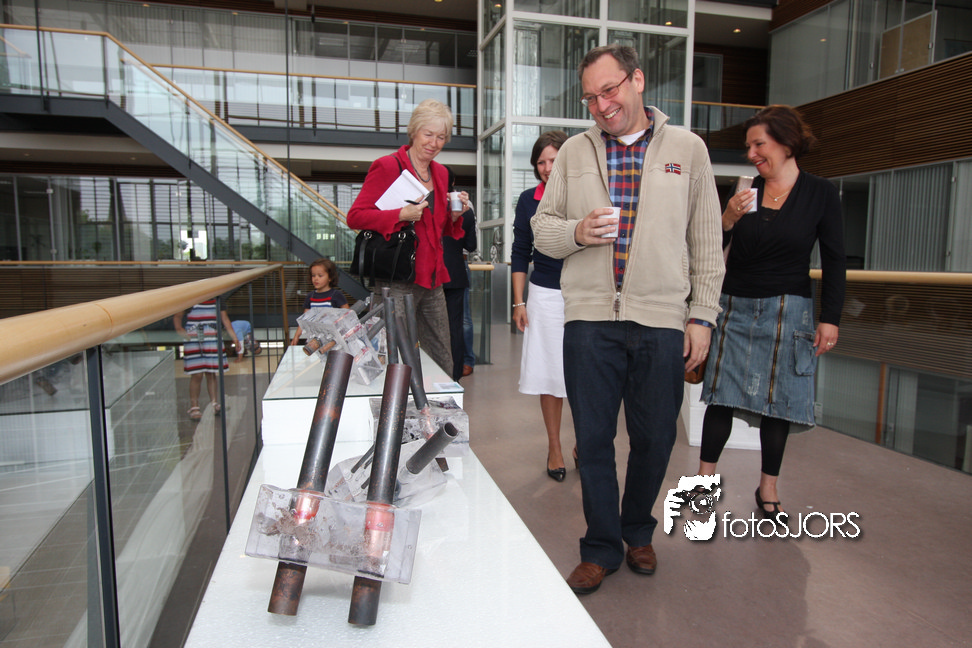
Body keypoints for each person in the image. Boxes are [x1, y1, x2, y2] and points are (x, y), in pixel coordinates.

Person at [531, 44, 724, 595]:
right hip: (590, 321)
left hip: (661, 321)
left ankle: (637, 529)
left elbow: (706, 242)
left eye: (609, 90)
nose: (601, 105)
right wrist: (575, 232)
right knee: (593, 442)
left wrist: (702, 316)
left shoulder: (687, 149)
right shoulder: (574, 152)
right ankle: (600, 547)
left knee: (656, 439)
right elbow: (542, 230)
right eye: (590, 97)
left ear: (637, 80)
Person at [696, 105, 846, 522]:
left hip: (789, 308)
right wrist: (727, 219)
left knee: (778, 404)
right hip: (733, 304)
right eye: (749, 146)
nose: (751, 154)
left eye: (758, 144)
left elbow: (835, 260)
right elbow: (710, 249)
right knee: (720, 398)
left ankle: (768, 488)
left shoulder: (820, 193)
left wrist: (830, 317)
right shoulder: (745, 190)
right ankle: (703, 483)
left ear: (786, 142)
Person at [347, 99, 470, 375]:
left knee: (442, 354)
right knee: (395, 356)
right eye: (428, 134)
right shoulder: (387, 166)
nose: (434, 143)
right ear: (414, 131)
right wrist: (400, 214)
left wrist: (454, 215)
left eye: (441, 137)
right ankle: (396, 403)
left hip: (432, 278)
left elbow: (437, 228)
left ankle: (438, 401)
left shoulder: (441, 173)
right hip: (397, 278)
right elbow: (355, 216)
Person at [511, 130, 570, 482]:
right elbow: (521, 252)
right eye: (541, 162)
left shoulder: (584, 192)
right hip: (545, 295)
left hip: (584, 294)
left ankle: (586, 442)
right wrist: (519, 301)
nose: (547, 168)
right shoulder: (528, 200)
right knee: (550, 374)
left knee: (588, 376)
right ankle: (555, 447)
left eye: (554, 160)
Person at [174, 298, 241, 421]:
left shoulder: (217, 299)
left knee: (211, 373)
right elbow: (177, 315)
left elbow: (225, 319)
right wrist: (179, 329)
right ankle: (194, 406)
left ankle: (214, 403)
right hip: (193, 338)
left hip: (211, 338)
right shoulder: (190, 298)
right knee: (197, 374)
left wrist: (235, 338)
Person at [442, 170, 477, 381]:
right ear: (453, 182)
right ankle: (456, 373)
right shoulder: (466, 209)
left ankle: (433, 368)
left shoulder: (428, 205)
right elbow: (471, 245)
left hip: (431, 273)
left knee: (429, 325)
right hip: (456, 272)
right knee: (457, 324)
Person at [290, 257, 349, 346]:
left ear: (330, 277)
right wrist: (296, 335)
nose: (316, 279)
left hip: (332, 338)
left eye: (320, 275)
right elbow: (304, 319)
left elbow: (347, 314)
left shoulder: (336, 295)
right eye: (313, 275)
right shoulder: (310, 297)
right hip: (314, 338)